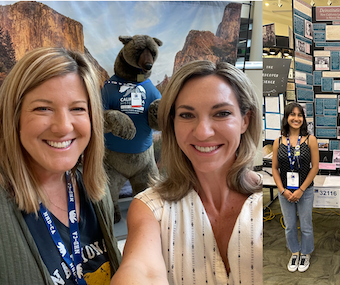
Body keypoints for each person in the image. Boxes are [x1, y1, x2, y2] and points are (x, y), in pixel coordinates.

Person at [111, 60, 263, 285]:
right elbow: (141, 271)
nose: (202, 133)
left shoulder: (266, 200)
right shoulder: (150, 208)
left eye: (221, 113)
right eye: (186, 115)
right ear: (172, 123)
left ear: (245, 120)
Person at [0, 47, 121, 284]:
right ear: (14, 118)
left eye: (77, 108)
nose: (64, 127)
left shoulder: (95, 187)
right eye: (43, 108)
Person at [271, 102, 319, 273]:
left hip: (305, 191)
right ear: (286, 117)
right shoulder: (278, 141)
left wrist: (301, 190)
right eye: (292, 114)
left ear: (303, 119)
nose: (296, 118)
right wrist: (283, 190)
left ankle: (305, 253)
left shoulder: (310, 140)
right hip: (285, 192)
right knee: (290, 225)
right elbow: (274, 168)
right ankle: (295, 251)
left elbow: (315, 167)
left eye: (299, 115)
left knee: (306, 225)